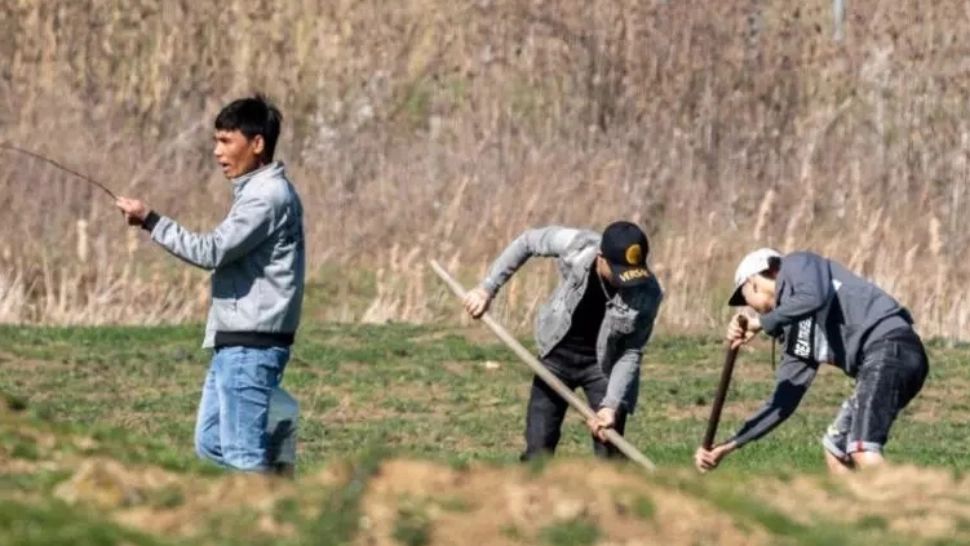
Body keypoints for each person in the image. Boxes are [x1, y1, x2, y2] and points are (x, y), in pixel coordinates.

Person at [116, 95, 305, 473]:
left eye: (226, 141)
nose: (217, 152)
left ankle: (268, 522)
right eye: (216, 140)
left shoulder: (266, 198)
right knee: (211, 444)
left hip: (250, 347)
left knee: (242, 457)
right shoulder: (258, 192)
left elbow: (211, 251)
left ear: (257, 144)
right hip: (235, 342)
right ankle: (276, 490)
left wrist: (151, 220)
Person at [695, 249, 929, 474]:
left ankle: (922, 507)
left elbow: (812, 297)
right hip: (878, 363)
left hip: (891, 347)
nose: (748, 306)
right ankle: (865, 513)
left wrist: (760, 323)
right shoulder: (797, 336)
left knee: (861, 446)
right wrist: (726, 447)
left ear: (753, 282)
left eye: (744, 297)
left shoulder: (797, 265)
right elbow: (782, 403)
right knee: (836, 449)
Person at [464, 222, 663, 460]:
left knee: (610, 450)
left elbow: (630, 351)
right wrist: (487, 289)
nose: (624, 283)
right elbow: (527, 241)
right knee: (538, 450)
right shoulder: (577, 246)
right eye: (619, 272)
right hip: (555, 355)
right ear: (601, 257)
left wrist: (610, 405)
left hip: (604, 367)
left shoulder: (648, 291)